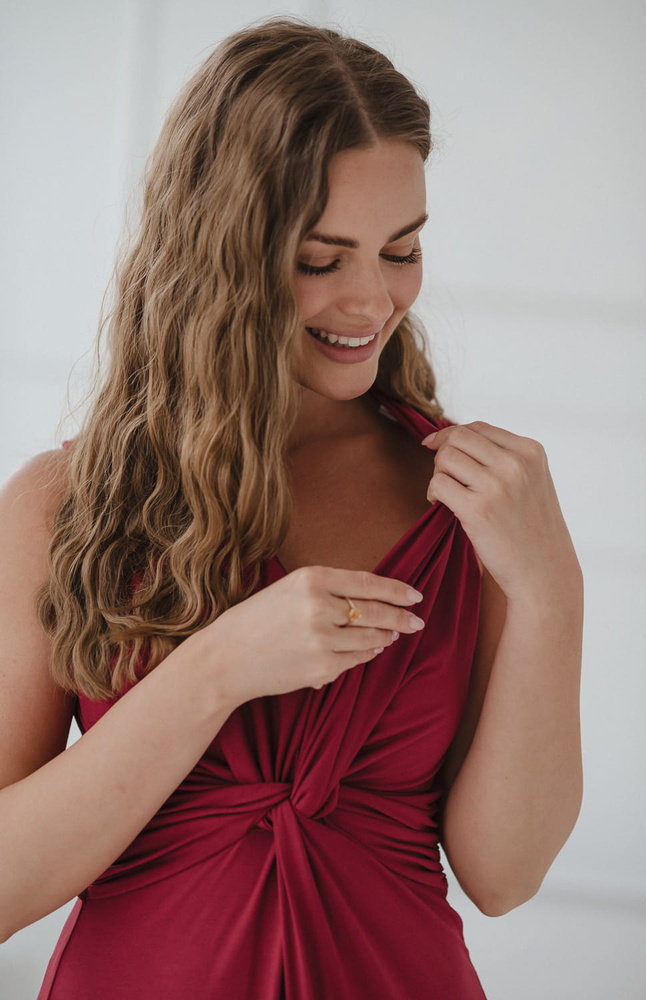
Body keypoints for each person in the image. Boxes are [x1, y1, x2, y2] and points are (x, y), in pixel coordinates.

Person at [0, 17, 584, 1000]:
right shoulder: (61, 507)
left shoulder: (466, 501)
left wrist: (551, 589)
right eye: (321, 259)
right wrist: (216, 671)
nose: (373, 300)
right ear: (216, 253)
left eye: (401, 249)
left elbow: (505, 875)